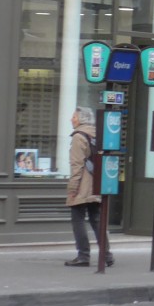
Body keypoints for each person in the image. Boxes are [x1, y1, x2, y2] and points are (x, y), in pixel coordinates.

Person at [65, 107, 113, 268]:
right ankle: (106, 255)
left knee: (77, 219)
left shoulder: (79, 137)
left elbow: (77, 166)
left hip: (83, 185)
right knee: (97, 219)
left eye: (74, 116)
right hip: (97, 183)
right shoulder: (98, 134)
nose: (72, 119)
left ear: (81, 119)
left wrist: (72, 190)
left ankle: (83, 255)